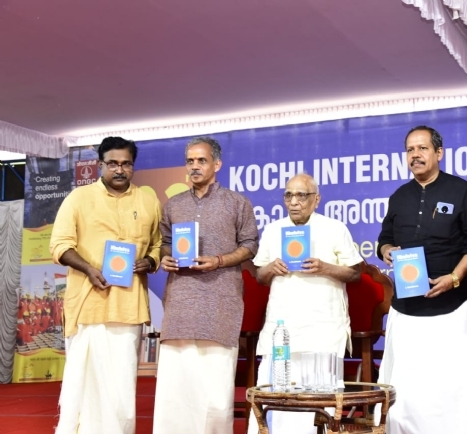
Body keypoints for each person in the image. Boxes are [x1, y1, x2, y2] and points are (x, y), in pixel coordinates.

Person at [376, 126, 467, 433]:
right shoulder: (399, 196)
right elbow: (384, 239)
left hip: (450, 306)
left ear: (438, 153)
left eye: (422, 148)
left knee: (451, 388)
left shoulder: (462, 191)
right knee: (406, 389)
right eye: (410, 150)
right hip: (406, 308)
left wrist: (454, 277)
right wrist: (386, 250)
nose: (415, 155)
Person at [50, 136, 162, 434]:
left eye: (126, 164)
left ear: (133, 166)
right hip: (88, 304)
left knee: (121, 386)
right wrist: (88, 268)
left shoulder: (148, 201)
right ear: (101, 165)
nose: (119, 169)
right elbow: (59, 245)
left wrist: (150, 261)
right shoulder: (79, 198)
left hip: (128, 307)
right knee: (84, 383)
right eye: (112, 163)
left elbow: (158, 244)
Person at [152, 137, 258, 434]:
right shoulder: (174, 205)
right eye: (190, 161)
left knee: (215, 387)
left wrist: (220, 260)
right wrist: (166, 257)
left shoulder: (237, 202)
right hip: (181, 303)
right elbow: (165, 242)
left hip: (220, 301)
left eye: (201, 160)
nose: (195, 166)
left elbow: (250, 245)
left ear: (217, 164)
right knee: (177, 383)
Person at [247, 173, 363, 434]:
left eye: (301, 195)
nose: (294, 202)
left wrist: (325, 267)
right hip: (282, 328)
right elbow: (260, 275)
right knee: (276, 400)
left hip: (322, 330)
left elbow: (355, 273)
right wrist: (271, 268)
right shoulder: (273, 230)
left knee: (318, 405)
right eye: (288, 195)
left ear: (316, 199)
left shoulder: (334, 228)